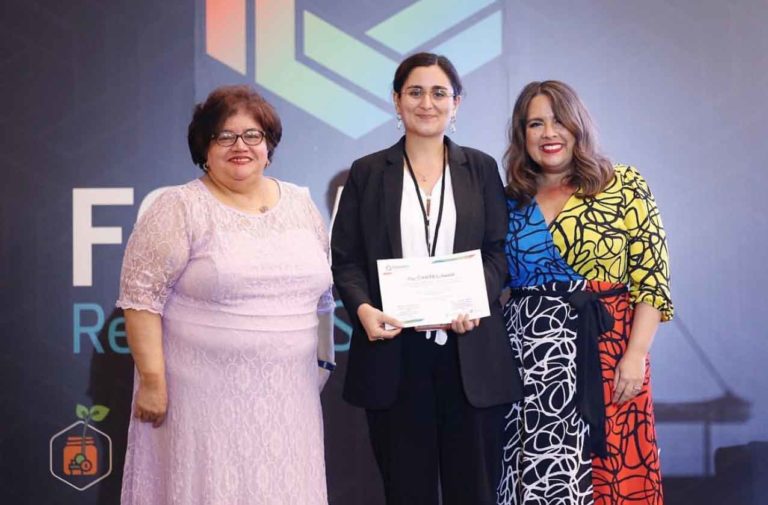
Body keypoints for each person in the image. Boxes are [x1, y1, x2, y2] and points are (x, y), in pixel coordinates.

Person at [116, 85, 335, 505]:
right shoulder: (178, 207)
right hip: (202, 400)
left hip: (291, 398)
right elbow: (141, 300)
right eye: (225, 136)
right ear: (205, 147)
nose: (240, 146)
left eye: (252, 135)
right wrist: (153, 382)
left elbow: (323, 295)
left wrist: (321, 365)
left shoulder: (300, 204)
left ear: (268, 146)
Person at [331, 52, 522, 505]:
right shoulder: (367, 172)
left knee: (473, 492)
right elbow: (346, 260)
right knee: (406, 492)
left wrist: (474, 300)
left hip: (469, 354)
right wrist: (363, 309)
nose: (427, 103)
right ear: (396, 101)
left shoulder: (480, 168)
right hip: (394, 354)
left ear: (456, 103)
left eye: (439, 93)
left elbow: (497, 252)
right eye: (415, 92)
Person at [497, 80, 673, 505]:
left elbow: (652, 279)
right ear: (522, 135)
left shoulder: (623, 184)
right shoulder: (509, 202)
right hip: (530, 363)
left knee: (613, 474)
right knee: (539, 477)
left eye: (558, 120)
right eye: (535, 124)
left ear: (578, 125)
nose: (549, 133)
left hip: (609, 354)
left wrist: (636, 354)